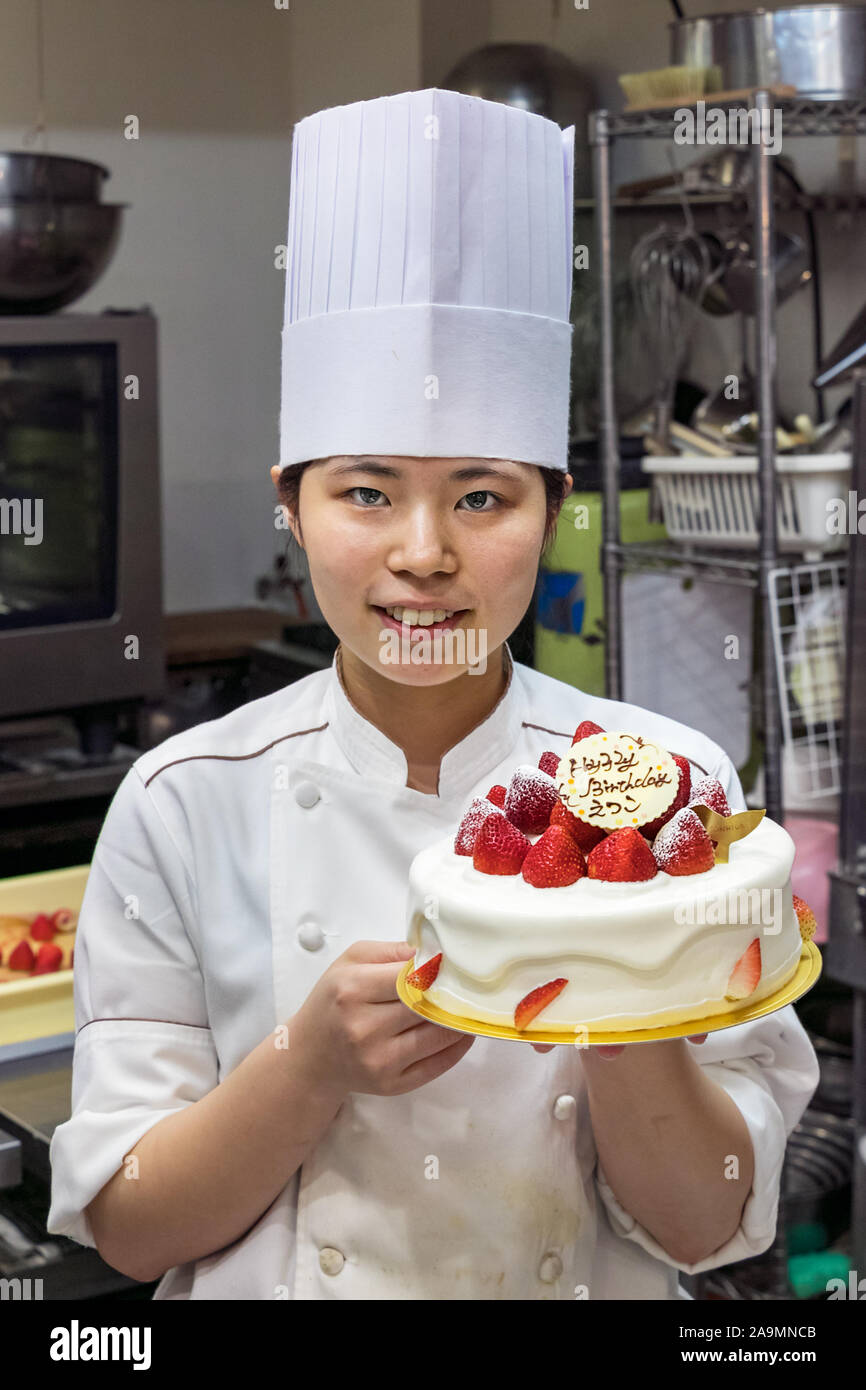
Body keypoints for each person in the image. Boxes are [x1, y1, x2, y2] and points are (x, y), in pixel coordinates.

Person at [47, 89, 820, 1300]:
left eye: (480, 496)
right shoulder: (182, 801)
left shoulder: (676, 797)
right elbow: (131, 1235)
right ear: (289, 504)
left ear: (551, 509)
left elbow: (706, 1226)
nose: (422, 553)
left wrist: (616, 991)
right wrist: (306, 1063)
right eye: (363, 493)